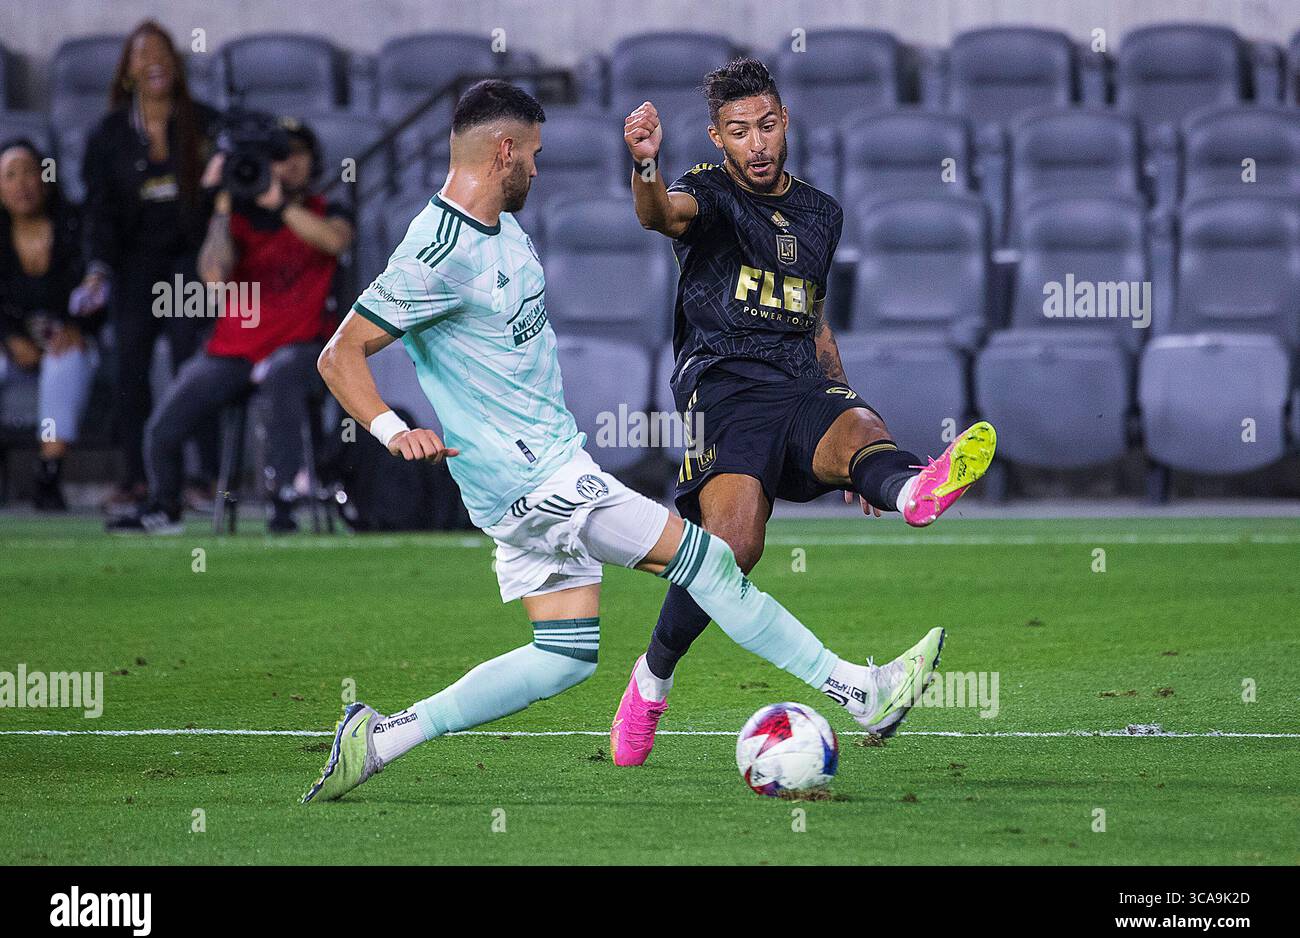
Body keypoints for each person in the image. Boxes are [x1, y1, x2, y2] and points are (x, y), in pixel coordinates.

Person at [302, 80, 944, 804]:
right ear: (504, 150)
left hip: (530, 473)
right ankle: (861, 690)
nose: (539, 171)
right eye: (534, 156)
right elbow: (340, 353)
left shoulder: (503, 232)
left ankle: (381, 738)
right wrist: (393, 431)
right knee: (712, 562)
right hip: (534, 478)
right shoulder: (439, 249)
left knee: (563, 658)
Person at [613, 57, 998, 764]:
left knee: (861, 428)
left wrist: (855, 448)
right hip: (722, 384)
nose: (755, 144)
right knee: (733, 552)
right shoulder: (708, 190)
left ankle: (911, 488)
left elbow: (814, 319)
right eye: (738, 132)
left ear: (785, 121)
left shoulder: (821, 213)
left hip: (797, 378)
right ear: (718, 138)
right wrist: (644, 165)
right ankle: (650, 682)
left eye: (765, 126)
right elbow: (659, 214)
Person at [106, 117, 353, 534]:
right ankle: (164, 506)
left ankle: (283, 500)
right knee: (169, 417)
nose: (286, 164)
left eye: (295, 154)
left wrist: (281, 205)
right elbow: (214, 275)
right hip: (234, 349)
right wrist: (222, 203)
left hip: (305, 346)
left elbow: (335, 241)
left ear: (314, 161)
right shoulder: (235, 217)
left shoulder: (327, 208)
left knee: (283, 377)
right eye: (277, 156)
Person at [73, 20, 221, 517]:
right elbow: (98, 213)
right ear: (129, 70)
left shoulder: (204, 123)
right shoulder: (108, 134)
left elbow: (223, 197)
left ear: (176, 65)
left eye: (163, 51)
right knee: (129, 366)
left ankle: (201, 478)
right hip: (134, 264)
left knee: (190, 361)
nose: (154, 59)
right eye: (142, 53)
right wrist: (97, 270)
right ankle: (138, 478)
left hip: (190, 262)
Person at [0, 140, 100, 510]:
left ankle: (49, 472)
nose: (22, 184)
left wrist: (76, 326)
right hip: (12, 346)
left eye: (29, 172)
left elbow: (97, 287)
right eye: (10, 176)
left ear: (45, 178)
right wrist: (10, 338)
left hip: (67, 340)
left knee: (64, 364)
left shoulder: (74, 225)